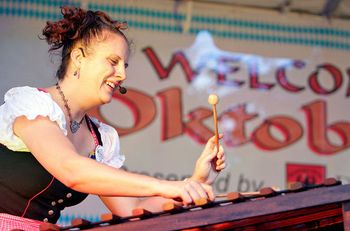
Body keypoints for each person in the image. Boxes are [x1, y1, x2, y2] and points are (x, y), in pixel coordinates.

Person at [0, 6, 225, 230]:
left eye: (124, 65)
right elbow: (71, 170)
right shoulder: (32, 105)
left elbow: (133, 210)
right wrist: (164, 185)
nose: (123, 75)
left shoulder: (100, 139)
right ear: (78, 57)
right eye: (113, 61)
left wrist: (195, 182)